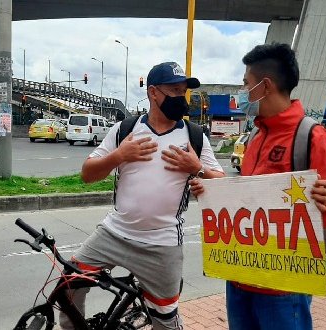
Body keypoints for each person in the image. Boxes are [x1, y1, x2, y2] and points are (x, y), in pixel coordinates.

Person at [192, 43, 326, 330]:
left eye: (246, 85)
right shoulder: (255, 135)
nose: (243, 93)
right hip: (240, 277)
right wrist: (213, 191)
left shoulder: (312, 136)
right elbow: (249, 194)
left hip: (283, 287)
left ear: (265, 86)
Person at [60, 62, 225, 330]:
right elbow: (88, 174)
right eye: (174, 89)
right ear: (153, 93)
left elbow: (222, 183)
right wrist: (119, 156)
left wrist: (197, 168)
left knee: (165, 319)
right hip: (114, 233)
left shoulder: (194, 136)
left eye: (183, 91)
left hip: (163, 243)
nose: (181, 97)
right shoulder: (124, 130)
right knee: (68, 288)